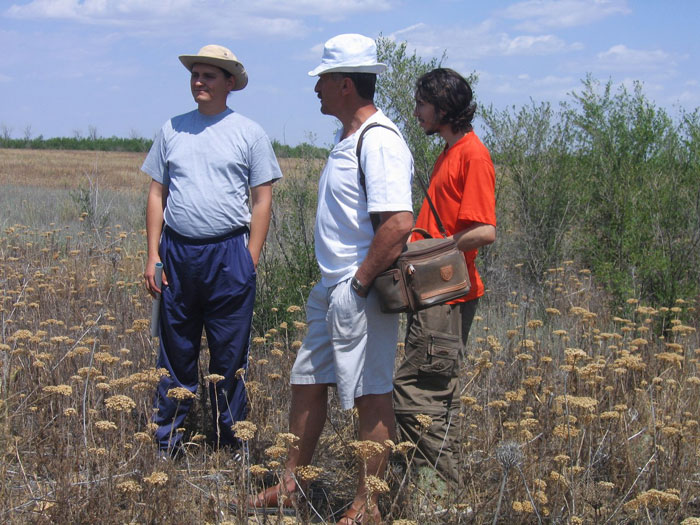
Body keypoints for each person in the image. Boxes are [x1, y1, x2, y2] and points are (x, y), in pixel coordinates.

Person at [250, 34, 414, 524]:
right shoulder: (351, 138)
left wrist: (359, 284)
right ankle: (290, 486)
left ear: (345, 84)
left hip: (358, 290)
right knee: (307, 380)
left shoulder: (378, 140)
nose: (315, 89)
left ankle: (368, 507)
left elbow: (399, 224)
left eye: (322, 80)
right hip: (335, 290)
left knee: (370, 393)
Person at [142, 44, 282, 455]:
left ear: (230, 83)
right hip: (177, 255)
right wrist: (153, 255)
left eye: (209, 75)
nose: (199, 82)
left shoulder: (249, 133)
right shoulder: (172, 129)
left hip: (228, 256)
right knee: (175, 353)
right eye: (195, 74)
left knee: (230, 356)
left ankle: (231, 445)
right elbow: (156, 194)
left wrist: (249, 260)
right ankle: (167, 443)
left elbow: (262, 200)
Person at [393, 68, 496, 487]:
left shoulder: (472, 154)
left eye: (421, 104)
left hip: (448, 296)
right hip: (434, 294)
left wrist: (431, 249)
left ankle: (442, 495)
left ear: (443, 107)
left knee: (416, 395)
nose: (416, 112)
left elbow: (485, 230)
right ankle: (434, 490)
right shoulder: (450, 151)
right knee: (433, 394)